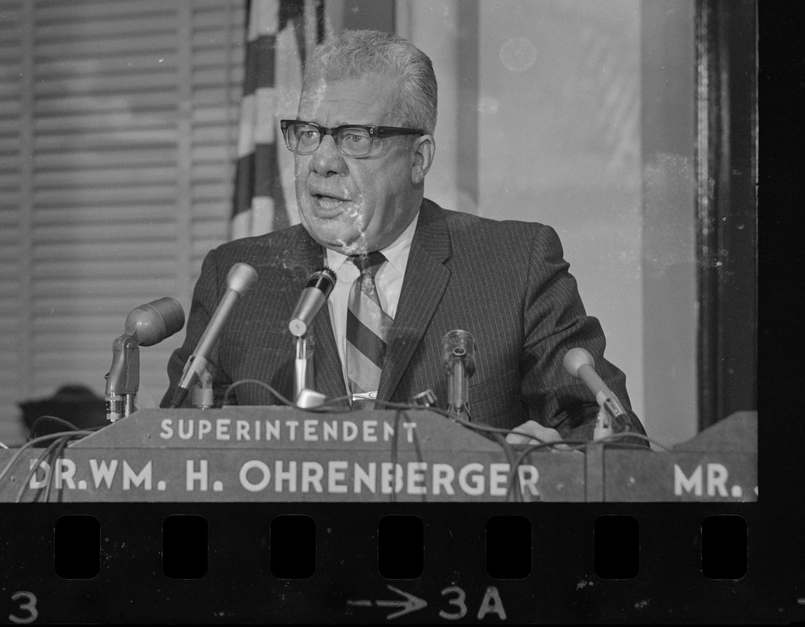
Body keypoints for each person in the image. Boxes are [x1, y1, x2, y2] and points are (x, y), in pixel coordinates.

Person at [161, 30, 646, 445]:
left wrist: (538, 462)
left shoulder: (516, 265)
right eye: (308, 132)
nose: (323, 161)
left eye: (355, 137)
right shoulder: (239, 281)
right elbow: (170, 451)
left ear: (418, 159)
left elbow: (609, 435)